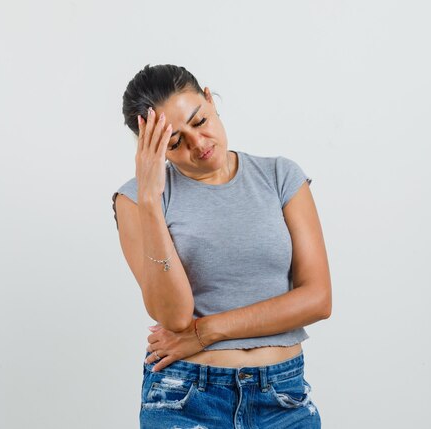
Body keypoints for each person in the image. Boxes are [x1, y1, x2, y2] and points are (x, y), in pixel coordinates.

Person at [111, 64, 332, 428]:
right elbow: (176, 316)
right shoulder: (136, 200)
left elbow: (318, 299)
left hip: (283, 399)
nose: (198, 144)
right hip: (185, 399)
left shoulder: (280, 177)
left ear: (210, 100)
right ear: (152, 150)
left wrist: (207, 332)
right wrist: (151, 202)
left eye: (199, 122)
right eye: (174, 142)